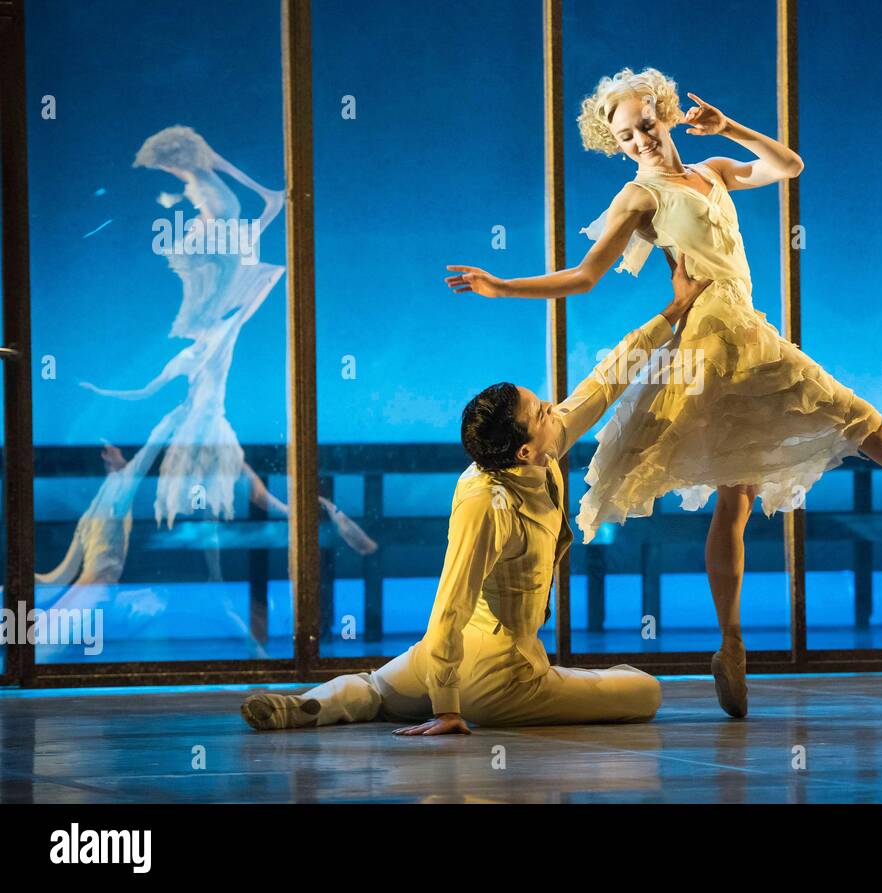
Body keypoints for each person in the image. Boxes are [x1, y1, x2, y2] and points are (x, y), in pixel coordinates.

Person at [444, 66, 882, 719]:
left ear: (665, 112)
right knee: (749, 492)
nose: (640, 141)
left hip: (752, 335)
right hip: (707, 350)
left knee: (841, 439)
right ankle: (733, 639)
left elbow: (789, 165)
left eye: (646, 125)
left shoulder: (712, 169)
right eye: (625, 136)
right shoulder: (638, 197)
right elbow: (585, 275)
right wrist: (501, 286)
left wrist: (731, 126)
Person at [241, 257, 712, 733]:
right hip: (497, 681)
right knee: (643, 688)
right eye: (544, 411)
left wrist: (672, 311)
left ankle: (309, 706)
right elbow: (450, 602)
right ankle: (449, 700)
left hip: (440, 659)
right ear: (526, 447)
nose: (555, 410)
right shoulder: (486, 501)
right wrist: (447, 708)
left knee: (376, 690)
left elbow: (606, 380)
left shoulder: (536, 451)